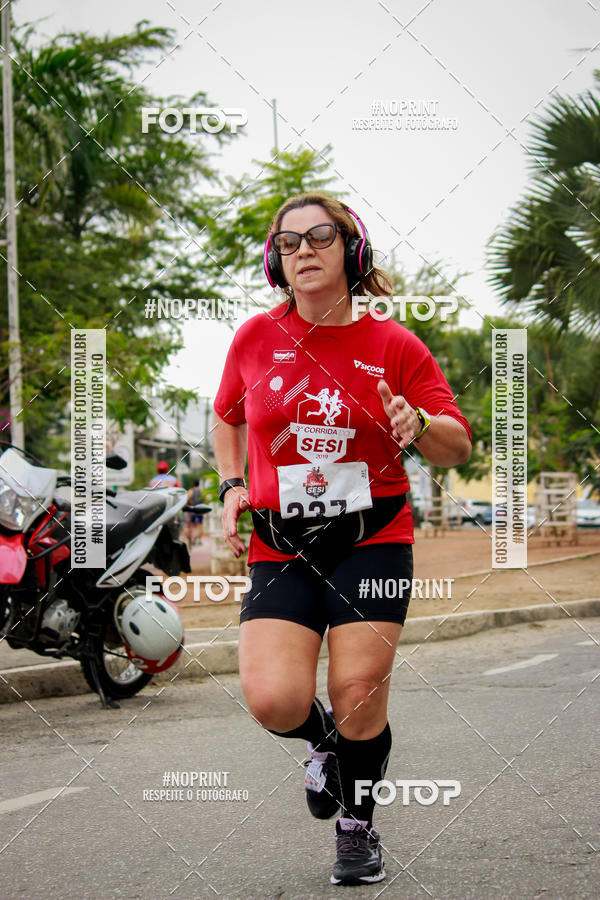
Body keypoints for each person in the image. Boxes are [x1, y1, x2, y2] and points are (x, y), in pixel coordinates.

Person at [212, 192, 472, 887]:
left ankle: (357, 826)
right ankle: (320, 741)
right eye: (289, 241)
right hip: (281, 543)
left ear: (352, 252)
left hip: (371, 536)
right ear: (275, 261)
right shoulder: (254, 338)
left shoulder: (394, 344)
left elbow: (457, 444)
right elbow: (227, 415)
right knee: (273, 700)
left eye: (320, 237)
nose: (303, 250)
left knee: (358, 688)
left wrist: (418, 423)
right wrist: (232, 485)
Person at [186, 479, 205, 546]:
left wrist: (189, 504)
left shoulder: (191, 491)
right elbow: (204, 500)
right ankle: (199, 540)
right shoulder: (201, 491)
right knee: (200, 526)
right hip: (200, 511)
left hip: (193, 511)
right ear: (199, 484)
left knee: (192, 526)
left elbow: (187, 499)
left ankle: (192, 538)